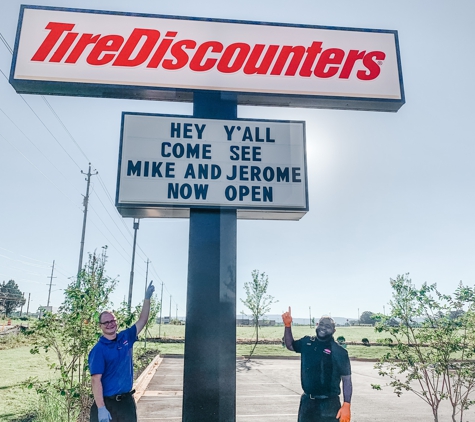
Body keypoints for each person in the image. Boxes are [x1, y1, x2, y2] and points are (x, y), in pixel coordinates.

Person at [89, 281, 155, 422]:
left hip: (126, 404)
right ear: (100, 326)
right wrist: (101, 408)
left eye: (112, 320)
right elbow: (95, 380)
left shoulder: (126, 337)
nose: (110, 324)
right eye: (106, 322)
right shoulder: (98, 350)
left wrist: (147, 298)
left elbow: (142, 320)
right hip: (107, 404)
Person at [282, 307, 352, 422]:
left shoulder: (340, 352)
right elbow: (290, 345)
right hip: (307, 403)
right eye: (322, 324)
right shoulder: (307, 342)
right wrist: (287, 326)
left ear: (334, 331)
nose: (323, 328)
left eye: (328, 326)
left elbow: (347, 380)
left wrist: (347, 404)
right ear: (317, 324)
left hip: (330, 405)